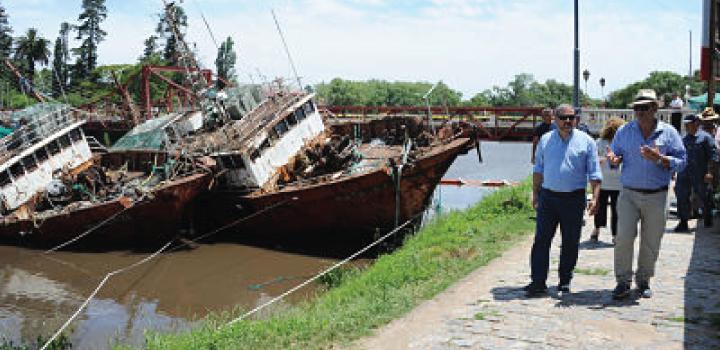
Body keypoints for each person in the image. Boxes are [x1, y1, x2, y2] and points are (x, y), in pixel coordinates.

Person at [606, 89, 687, 300]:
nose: (639, 111)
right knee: (623, 237)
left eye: (644, 107)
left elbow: (682, 162)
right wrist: (614, 160)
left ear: (654, 108)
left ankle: (643, 280)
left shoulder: (669, 132)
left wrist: (660, 158)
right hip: (629, 194)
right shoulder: (624, 131)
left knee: (651, 240)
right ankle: (622, 281)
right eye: (636, 108)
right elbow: (614, 156)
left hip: (657, 195)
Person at [526, 104, 602, 297]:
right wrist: (535, 194)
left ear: (576, 119)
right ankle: (538, 281)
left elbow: (594, 173)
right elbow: (538, 170)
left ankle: (564, 280)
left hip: (574, 198)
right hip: (548, 197)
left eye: (571, 117)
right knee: (541, 240)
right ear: (555, 119)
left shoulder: (587, 142)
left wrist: (595, 197)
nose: (568, 121)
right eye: (563, 117)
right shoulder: (545, 140)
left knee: (570, 242)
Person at [674, 113, 718, 232]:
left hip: (701, 172)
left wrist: (710, 172)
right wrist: (674, 172)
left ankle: (708, 218)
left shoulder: (705, 138)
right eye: (686, 124)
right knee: (682, 196)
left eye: (689, 124)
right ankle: (683, 221)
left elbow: (713, 156)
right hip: (684, 172)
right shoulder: (683, 139)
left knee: (705, 196)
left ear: (696, 124)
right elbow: (678, 156)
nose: (687, 126)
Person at [591, 117, 625, 243]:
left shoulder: (622, 143)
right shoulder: (600, 142)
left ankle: (599, 231)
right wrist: (604, 159)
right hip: (608, 181)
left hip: (614, 182)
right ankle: (603, 231)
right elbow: (593, 159)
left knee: (609, 209)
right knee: (607, 209)